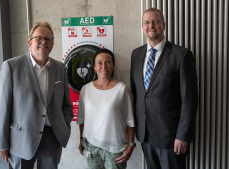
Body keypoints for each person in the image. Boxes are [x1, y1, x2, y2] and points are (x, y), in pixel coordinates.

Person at [0, 21, 73, 169]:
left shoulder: (60, 67)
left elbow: (66, 104)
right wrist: (1, 144)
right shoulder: (11, 67)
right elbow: (2, 109)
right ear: (30, 42)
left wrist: (65, 124)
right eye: (39, 38)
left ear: (53, 43)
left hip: (52, 135)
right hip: (21, 138)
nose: (44, 42)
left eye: (48, 39)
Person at [130, 8, 198, 169]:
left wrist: (183, 136)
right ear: (142, 26)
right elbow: (136, 94)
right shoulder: (136, 54)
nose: (151, 26)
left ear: (164, 25)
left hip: (171, 137)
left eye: (156, 21)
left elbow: (190, 100)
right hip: (145, 134)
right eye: (147, 22)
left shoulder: (181, 55)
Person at [77, 48, 135, 169]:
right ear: (94, 67)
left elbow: (130, 121)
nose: (104, 66)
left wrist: (130, 145)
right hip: (91, 147)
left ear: (113, 66)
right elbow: (82, 119)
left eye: (108, 62)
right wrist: (81, 139)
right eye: (99, 63)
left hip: (115, 149)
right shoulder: (85, 89)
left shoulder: (122, 89)